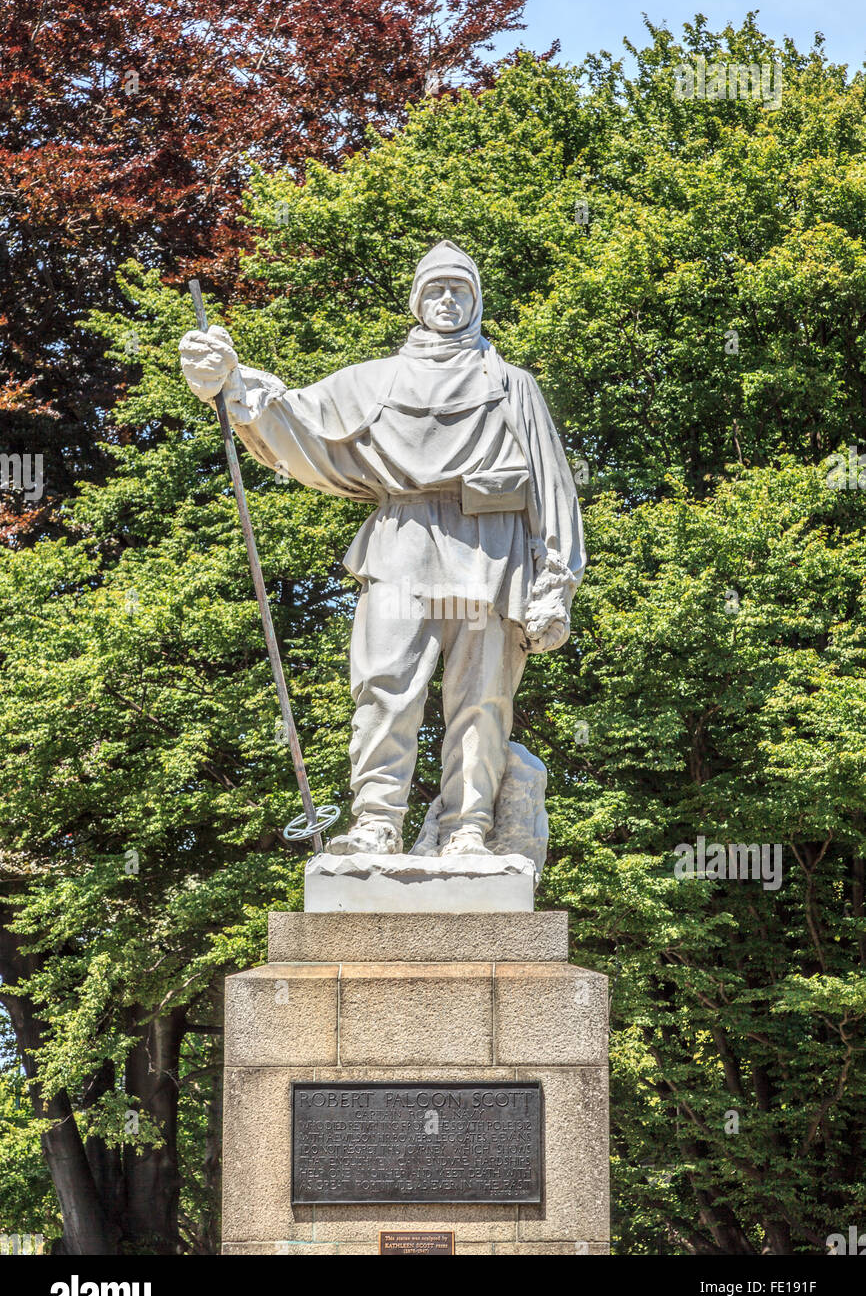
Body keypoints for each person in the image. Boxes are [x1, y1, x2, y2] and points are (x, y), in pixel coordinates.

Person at [180, 241, 585, 856]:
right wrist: (230, 382)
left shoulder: (511, 384)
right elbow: (297, 419)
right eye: (435, 289)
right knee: (383, 687)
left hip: (492, 551)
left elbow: (553, 488)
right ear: (417, 300)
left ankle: (467, 828)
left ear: (477, 301)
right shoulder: (378, 380)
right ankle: (375, 822)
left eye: (460, 290)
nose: (447, 301)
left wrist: (556, 583)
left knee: (481, 701)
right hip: (402, 543)